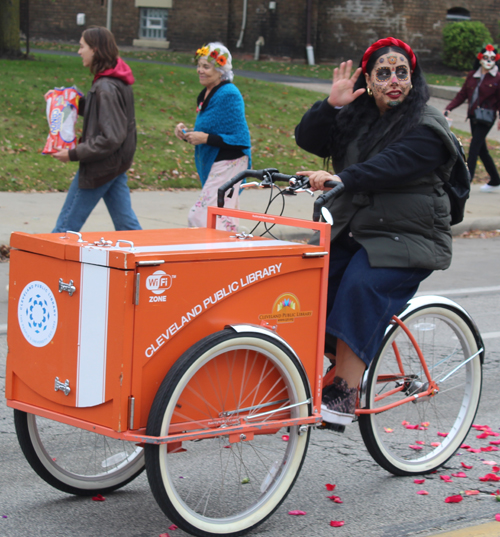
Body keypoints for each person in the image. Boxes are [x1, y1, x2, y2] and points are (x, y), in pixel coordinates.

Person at [294, 37, 458, 427]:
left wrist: (341, 177)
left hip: (409, 235)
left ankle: (346, 392)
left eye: (402, 72)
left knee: (361, 284)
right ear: (368, 80)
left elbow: (392, 164)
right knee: (307, 277)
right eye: (383, 73)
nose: (394, 80)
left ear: (412, 79)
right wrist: (332, 104)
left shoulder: (428, 126)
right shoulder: (359, 117)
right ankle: (340, 361)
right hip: (360, 228)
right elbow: (309, 139)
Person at [52, 27, 141, 233]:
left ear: (95, 49)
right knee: (127, 227)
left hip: (101, 167)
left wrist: (73, 154)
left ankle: (42, 266)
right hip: (114, 165)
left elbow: (111, 137)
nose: (79, 51)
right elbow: (103, 113)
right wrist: (68, 101)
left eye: (82, 46)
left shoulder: (106, 86)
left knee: (64, 229)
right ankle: (151, 262)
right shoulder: (112, 80)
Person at [174, 42, 251, 232]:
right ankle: (230, 254)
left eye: (206, 66)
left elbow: (239, 138)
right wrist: (187, 134)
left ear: (220, 70)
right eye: (199, 65)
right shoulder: (208, 92)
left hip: (230, 162)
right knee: (223, 217)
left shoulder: (229, 94)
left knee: (201, 216)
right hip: (218, 162)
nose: (200, 70)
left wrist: (205, 138)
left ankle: (211, 255)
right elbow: (212, 130)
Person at [444, 44, 500, 193]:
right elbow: (462, 95)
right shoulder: (472, 75)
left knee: (474, 147)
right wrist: (449, 107)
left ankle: (467, 180)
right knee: (482, 150)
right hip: (474, 116)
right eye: (486, 58)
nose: (489, 61)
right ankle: (495, 179)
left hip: (487, 117)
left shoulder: (497, 77)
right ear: (480, 58)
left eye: (492, 58)